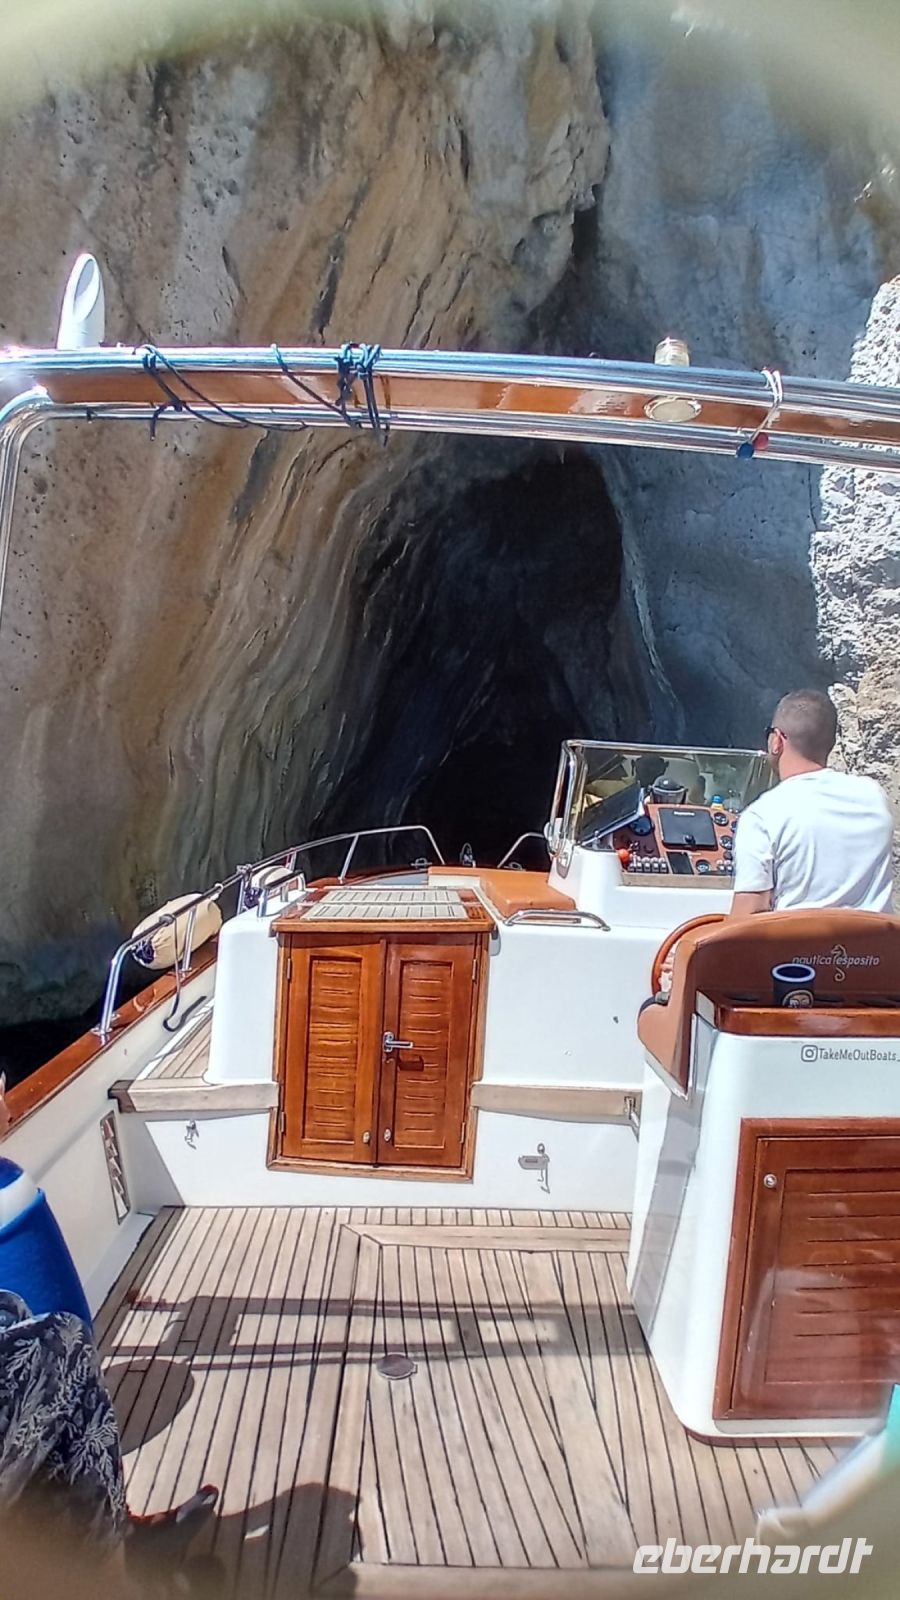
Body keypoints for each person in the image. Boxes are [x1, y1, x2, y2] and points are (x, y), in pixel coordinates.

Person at [731, 688, 894, 917]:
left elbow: (744, 922)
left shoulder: (762, 815)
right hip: (877, 951)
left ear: (777, 740)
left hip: (795, 952)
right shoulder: (875, 797)